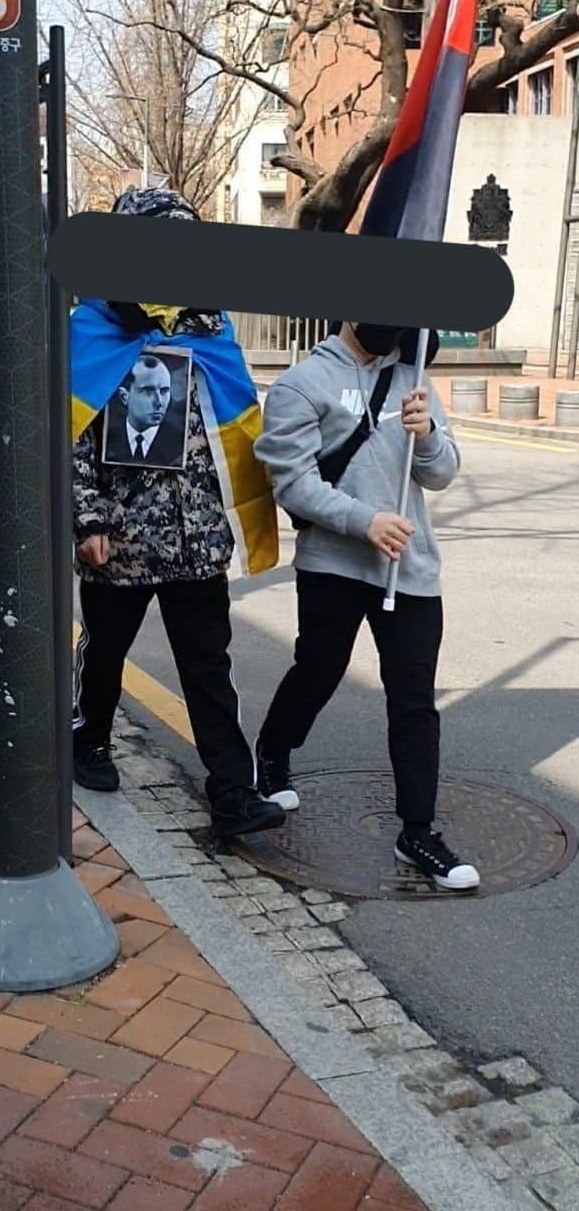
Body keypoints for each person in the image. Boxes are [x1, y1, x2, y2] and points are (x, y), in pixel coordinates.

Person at [70, 184, 284, 842]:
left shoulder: (209, 326)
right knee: (105, 652)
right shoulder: (94, 326)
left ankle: (231, 794)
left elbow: (238, 422)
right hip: (122, 539)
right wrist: (89, 519)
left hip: (197, 539)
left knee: (208, 670)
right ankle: (88, 741)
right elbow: (71, 435)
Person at [253, 319, 480, 891]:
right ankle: (274, 750)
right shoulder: (304, 383)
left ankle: (418, 833)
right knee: (319, 669)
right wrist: (364, 520)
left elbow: (444, 472)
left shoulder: (414, 376)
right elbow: (292, 483)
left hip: (411, 568)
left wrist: (426, 434)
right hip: (334, 565)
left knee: (413, 701)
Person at [103, 354, 186, 467]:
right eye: (148, 391)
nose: (159, 402)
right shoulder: (107, 439)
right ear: (124, 396)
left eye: (164, 391)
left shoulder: (179, 444)